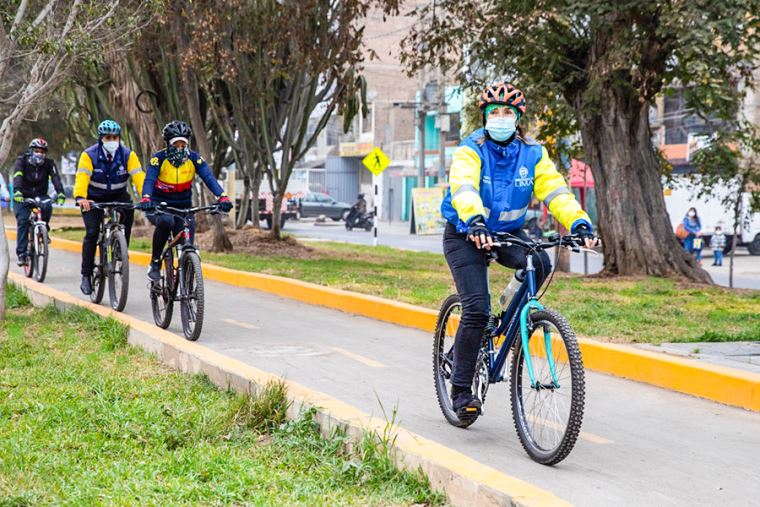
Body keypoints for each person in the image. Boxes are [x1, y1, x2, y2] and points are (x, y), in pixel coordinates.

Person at [440, 82, 598, 418]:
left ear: (518, 118)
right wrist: (476, 222)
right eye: (493, 112)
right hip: (466, 233)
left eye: (507, 112)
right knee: (476, 311)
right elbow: (464, 188)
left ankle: (508, 315)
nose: (500, 118)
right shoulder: (471, 150)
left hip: (508, 232)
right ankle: (461, 390)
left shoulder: (532, 154)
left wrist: (579, 224)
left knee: (540, 260)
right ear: (484, 117)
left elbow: (555, 192)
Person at [140, 120, 233, 282]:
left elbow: (209, 178)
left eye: (184, 144)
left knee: (186, 242)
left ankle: (187, 282)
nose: (180, 148)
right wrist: (146, 198)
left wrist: (222, 196)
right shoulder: (158, 159)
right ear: (168, 144)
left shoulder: (194, 159)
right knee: (166, 221)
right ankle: (155, 263)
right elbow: (149, 180)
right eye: (176, 144)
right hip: (159, 206)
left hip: (183, 207)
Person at [75, 120, 145, 295]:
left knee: (129, 210)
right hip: (92, 198)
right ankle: (86, 274)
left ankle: (122, 249)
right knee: (92, 232)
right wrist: (81, 197)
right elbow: (82, 177)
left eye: (115, 137)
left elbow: (139, 177)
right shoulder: (88, 155)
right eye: (108, 137)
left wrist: (147, 196)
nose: (112, 140)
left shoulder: (128, 155)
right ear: (101, 139)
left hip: (118, 195)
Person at [12, 138, 65, 266]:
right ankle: (22, 254)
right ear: (30, 151)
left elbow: (55, 178)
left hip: (40, 195)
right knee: (23, 221)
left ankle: (43, 230)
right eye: (36, 151)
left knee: (47, 206)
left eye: (42, 151)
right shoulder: (21, 161)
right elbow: (18, 175)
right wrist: (17, 191)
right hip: (22, 196)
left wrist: (61, 192)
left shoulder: (49, 163)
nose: (39, 154)